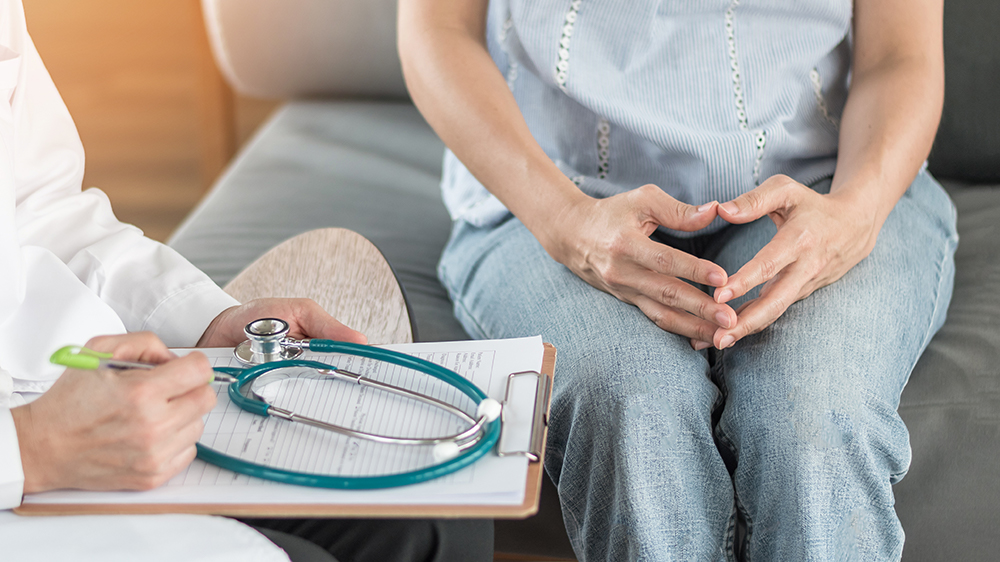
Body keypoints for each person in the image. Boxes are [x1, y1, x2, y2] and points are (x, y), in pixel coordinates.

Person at [399, 0, 957, 559]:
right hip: (550, 187)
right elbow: (437, 29)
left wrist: (855, 213)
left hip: (828, 184)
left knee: (814, 417)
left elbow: (900, 55)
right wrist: (565, 219)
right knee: (632, 406)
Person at [0, 1, 491, 560]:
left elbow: (40, 208)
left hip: (65, 392)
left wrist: (207, 323)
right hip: (25, 462)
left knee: (436, 517)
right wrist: (31, 447)